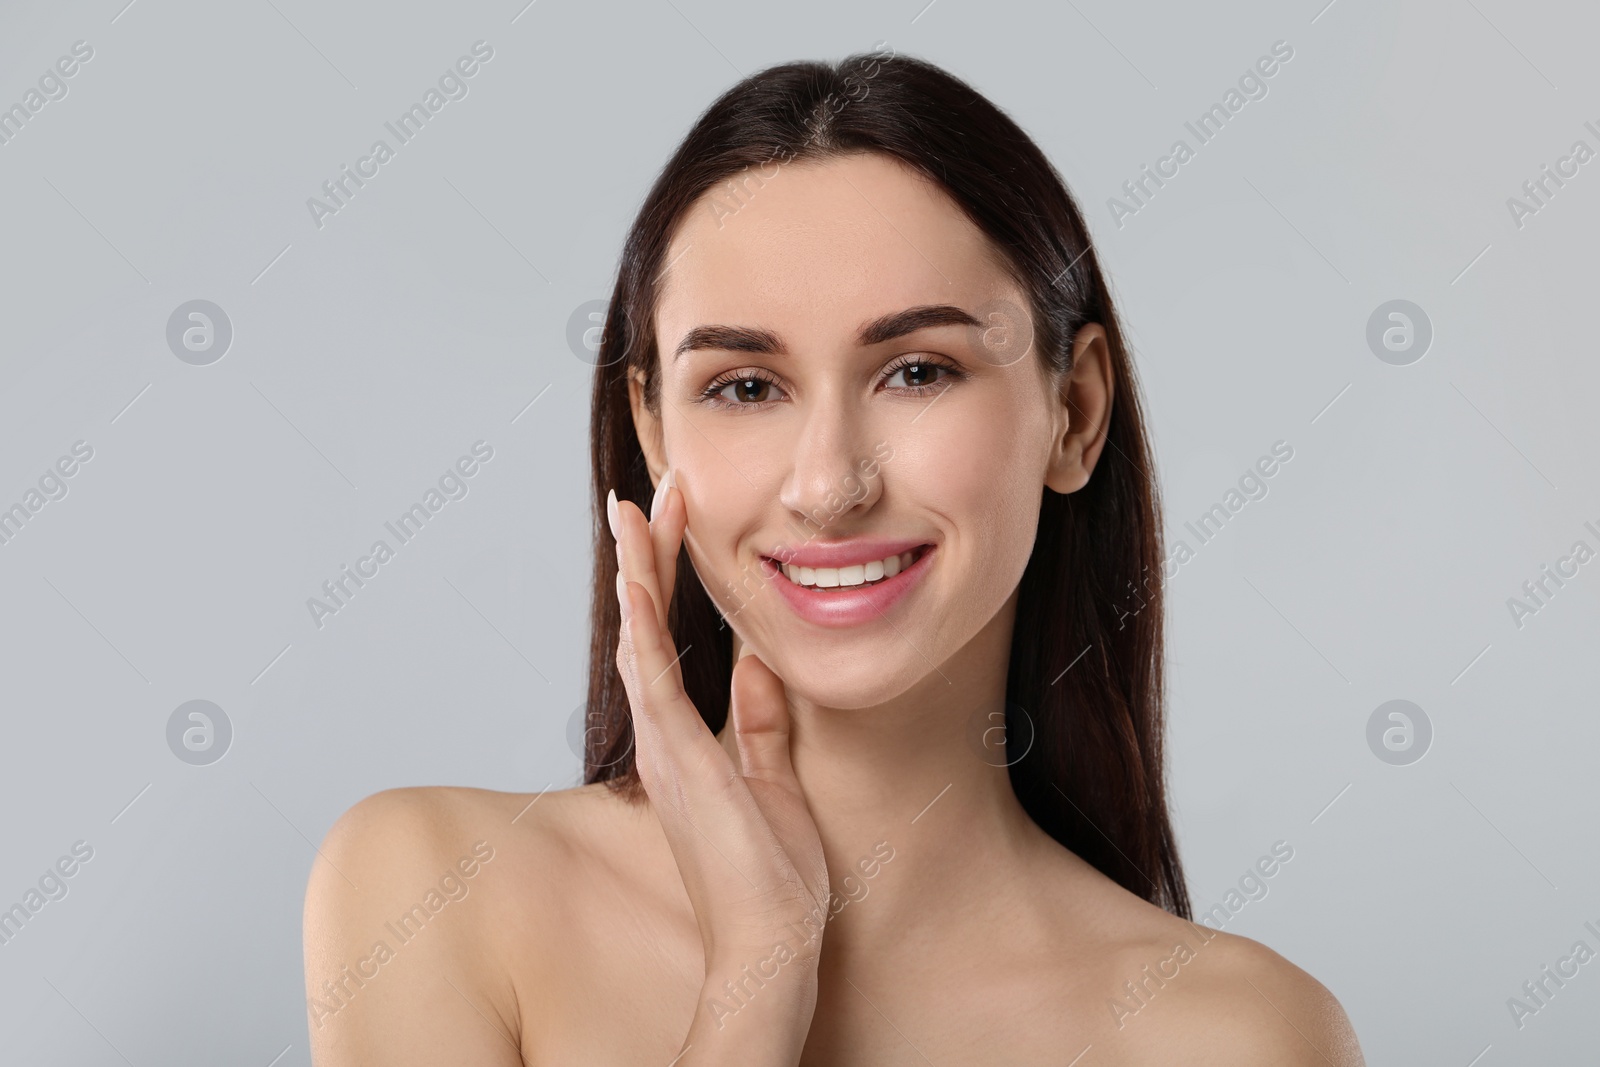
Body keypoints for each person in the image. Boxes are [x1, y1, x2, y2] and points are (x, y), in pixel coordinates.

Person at [303, 49, 1365, 1066]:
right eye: (745, 386)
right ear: (655, 430)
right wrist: (756, 980)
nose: (828, 484)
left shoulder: (1241, 1035)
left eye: (916, 370)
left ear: (1074, 412)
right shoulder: (433, 889)